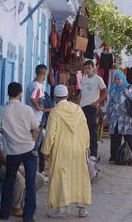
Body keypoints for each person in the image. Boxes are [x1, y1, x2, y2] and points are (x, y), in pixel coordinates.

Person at [42, 85, 91, 218]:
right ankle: (81, 209)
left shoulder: (55, 112)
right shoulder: (78, 109)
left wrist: (45, 150)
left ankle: (59, 209)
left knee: (60, 178)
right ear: (67, 95)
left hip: (61, 150)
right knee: (79, 177)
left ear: (55, 97)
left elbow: (50, 134)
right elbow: (85, 129)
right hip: (78, 149)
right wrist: (86, 146)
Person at [0, 82, 40, 222]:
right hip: (28, 149)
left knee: (9, 182)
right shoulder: (26, 109)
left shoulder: (2, 111)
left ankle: (4, 213)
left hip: (12, 151)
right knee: (30, 183)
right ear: (20, 94)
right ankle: (28, 217)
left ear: (8, 94)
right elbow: (36, 128)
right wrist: (33, 141)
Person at [0, 143, 45, 217]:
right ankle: (15, 207)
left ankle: (23, 202)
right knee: (20, 181)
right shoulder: (1, 136)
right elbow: (1, 156)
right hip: (3, 165)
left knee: (39, 179)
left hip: (18, 160)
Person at [105, 71, 132, 165]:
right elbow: (110, 104)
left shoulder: (131, 88)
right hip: (116, 118)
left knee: (129, 138)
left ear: (123, 78)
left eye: (119, 79)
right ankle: (114, 157)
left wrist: (128, 94)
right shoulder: (113, 89)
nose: (117, 81)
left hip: (127, 119)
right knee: (115, 138)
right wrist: (107, 115)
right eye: (116, 79)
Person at [79, 60, 107, 158]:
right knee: (83, 130)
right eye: (85, 68)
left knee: (92, 130)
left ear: (93, 68)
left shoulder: (98, 79)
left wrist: (97, 102)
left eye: (89, 68)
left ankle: (94, 153)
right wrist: (78, 105)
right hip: (82, 107)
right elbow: (81, 93)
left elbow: (105, 92)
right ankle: (85, 151)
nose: (87, 70)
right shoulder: (83, 79)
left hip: (92, 107)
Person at [26, 64, 50, 172]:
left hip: (30, 117)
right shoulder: (38, 86)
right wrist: (40, 108)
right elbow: (33, 99)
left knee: (31, 145)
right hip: (37, 119)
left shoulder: (30, 84)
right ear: (44, 74)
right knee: (35, 147)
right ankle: (34, 173)